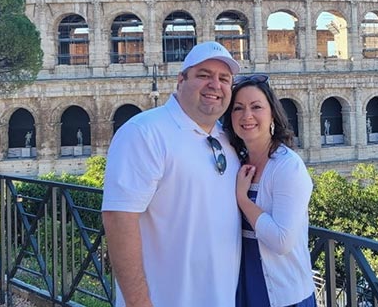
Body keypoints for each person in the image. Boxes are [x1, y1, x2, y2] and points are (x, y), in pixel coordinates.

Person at [101, 41, 242, 307]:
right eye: (204, 75)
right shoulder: (144, 132)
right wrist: (138, 302)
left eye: (224, 79)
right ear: (180, 80)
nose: (215, 85)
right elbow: (119, 219)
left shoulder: (227, 138)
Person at [223, 74, 316, 307]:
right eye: (238, 108)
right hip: (244, 288)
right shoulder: (235, 161)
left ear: (272, 114)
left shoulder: (288, 166)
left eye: (256, 107)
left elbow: (282, 241)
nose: (247, 115)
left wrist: (243, 200)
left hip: (283, 293)